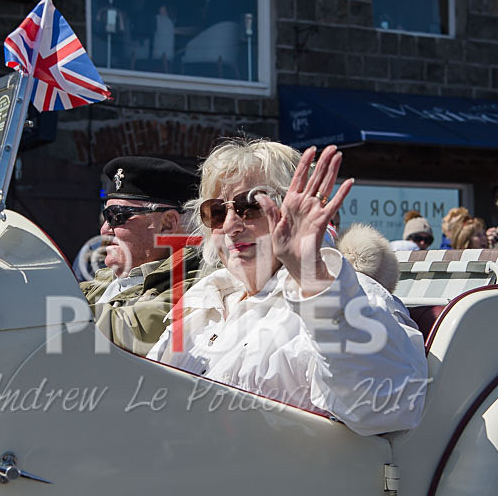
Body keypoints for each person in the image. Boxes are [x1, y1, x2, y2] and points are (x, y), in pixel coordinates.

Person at [147, 140, 427, 436]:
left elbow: (383, 406)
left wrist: (312, 278)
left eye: (250, 206)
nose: (230, 225)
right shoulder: (202, 302)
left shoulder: (349, 292)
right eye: (217, 211)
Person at [81, 156, 202, 356]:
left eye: (116, 216)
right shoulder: (102, 281)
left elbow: (138, 330)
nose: (104, 229)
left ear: (167, 224)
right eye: (105, 217)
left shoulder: (195, 279)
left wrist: (44, 314)